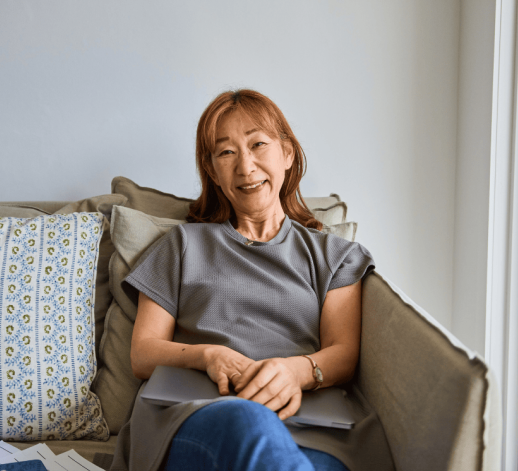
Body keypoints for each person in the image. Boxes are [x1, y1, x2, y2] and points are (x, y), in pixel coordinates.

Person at [111, 90, 381, 471]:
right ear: (214, 173)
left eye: (258, 144)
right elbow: (143, 353)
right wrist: (209, 355)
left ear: (287, 154)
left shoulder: (335, 256)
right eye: (226, 152)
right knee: (249, 424)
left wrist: (296, 372)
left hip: (309, 423)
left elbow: (342, 353)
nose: (245, 166)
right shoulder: (182, 246)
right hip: (198, 415)